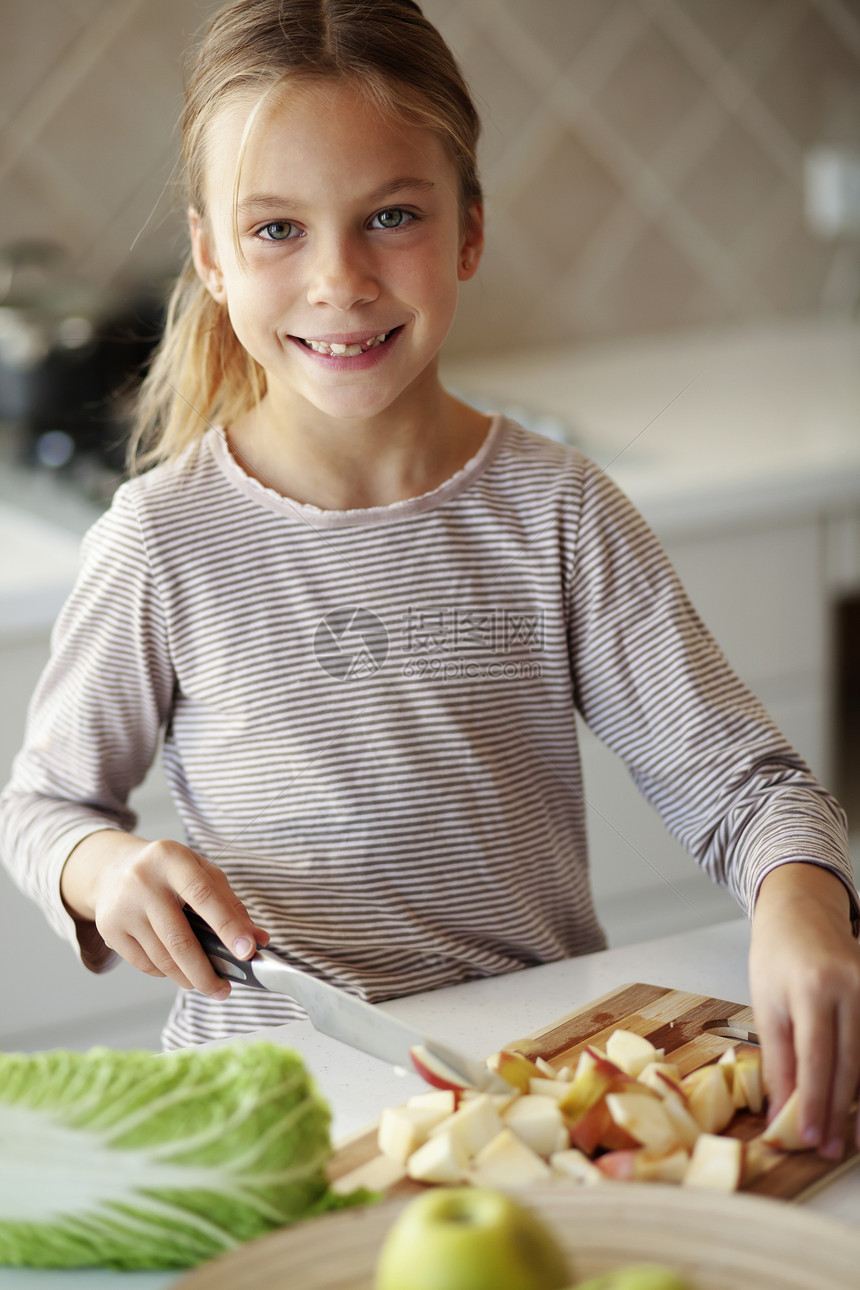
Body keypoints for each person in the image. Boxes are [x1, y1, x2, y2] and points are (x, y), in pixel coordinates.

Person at [2, 0, 858, 1160]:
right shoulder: (164, 541)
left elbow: (743, 785)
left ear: (467, 233)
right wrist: (107, 872)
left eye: (389, 217)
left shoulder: (556, 513)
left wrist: (803, 906)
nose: (339, 279)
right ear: (209, 254)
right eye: (276, 231)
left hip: (514, 1099)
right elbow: (42, 810)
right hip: (270, 1112)